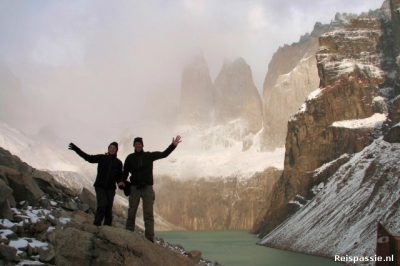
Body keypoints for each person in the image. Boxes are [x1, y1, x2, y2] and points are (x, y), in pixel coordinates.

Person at [118, 135, 181, 242]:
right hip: (134, 187)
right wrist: (121, 180)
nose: (138, 145)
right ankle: (129, 233)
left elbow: (164, 154)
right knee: (132, 211)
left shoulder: (149, 156)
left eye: (139, 144)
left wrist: (173, 145)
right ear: (134, 145)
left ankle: (149, 238)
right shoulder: (129, 158)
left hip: (147, 187)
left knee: (148, 214)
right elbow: (125, 172)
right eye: (136, 144)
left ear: (142, 145)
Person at [68, 142, 122, 226]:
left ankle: (107, 227)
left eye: (114, 148)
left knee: (108, 208)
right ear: (108, 149)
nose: (112, 149)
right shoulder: (102, 158)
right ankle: (97, 224)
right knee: (103, 203)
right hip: (100, 186)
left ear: (116, 150)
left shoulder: (118, 163)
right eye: (111, 147)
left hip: (111, 188)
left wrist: (120, 182)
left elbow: (119, 176)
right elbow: (88, 158)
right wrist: (76, 149)